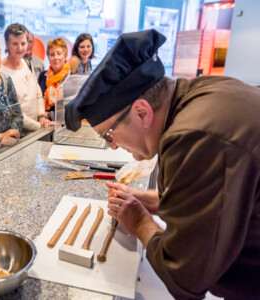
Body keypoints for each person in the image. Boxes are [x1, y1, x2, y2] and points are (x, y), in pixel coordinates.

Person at [65, 29, 260, 299]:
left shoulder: (193, 137)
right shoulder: (196, 95)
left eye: (109, 136)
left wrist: (141, 222)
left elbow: (185, 277)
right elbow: (215, 199)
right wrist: (153, 200)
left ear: (142, 112)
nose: (112, 146)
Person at [0, 23, 52, 133]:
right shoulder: (0, 73)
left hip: (36, 131)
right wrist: (39, 126)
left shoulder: (27, 63)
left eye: (23, 43)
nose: (20, 48)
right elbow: (13, 113)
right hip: (17, 135)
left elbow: (38, 93)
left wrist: (41, 116)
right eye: (15, 44)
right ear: (7, 44)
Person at [38, 38, 70, 120]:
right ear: (48, 58)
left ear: (65, 56)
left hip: (64, 126)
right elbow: (38, 102)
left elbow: (71, 109)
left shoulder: (71, 78)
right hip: (44, 125)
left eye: (59, 54)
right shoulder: (42, 76)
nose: (56, 57)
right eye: (52, 55)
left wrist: (49, 115)